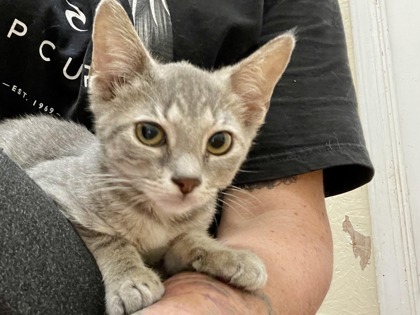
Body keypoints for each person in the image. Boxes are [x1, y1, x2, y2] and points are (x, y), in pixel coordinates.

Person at [0, 0, 374, 314]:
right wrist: (116, 253)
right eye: (151, 133)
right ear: (110, 86)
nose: (188, 174)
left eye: (217, 144)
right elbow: (36, 199)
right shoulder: (95, 185)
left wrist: (192, 251)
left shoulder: (200, 208)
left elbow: (283, 223)